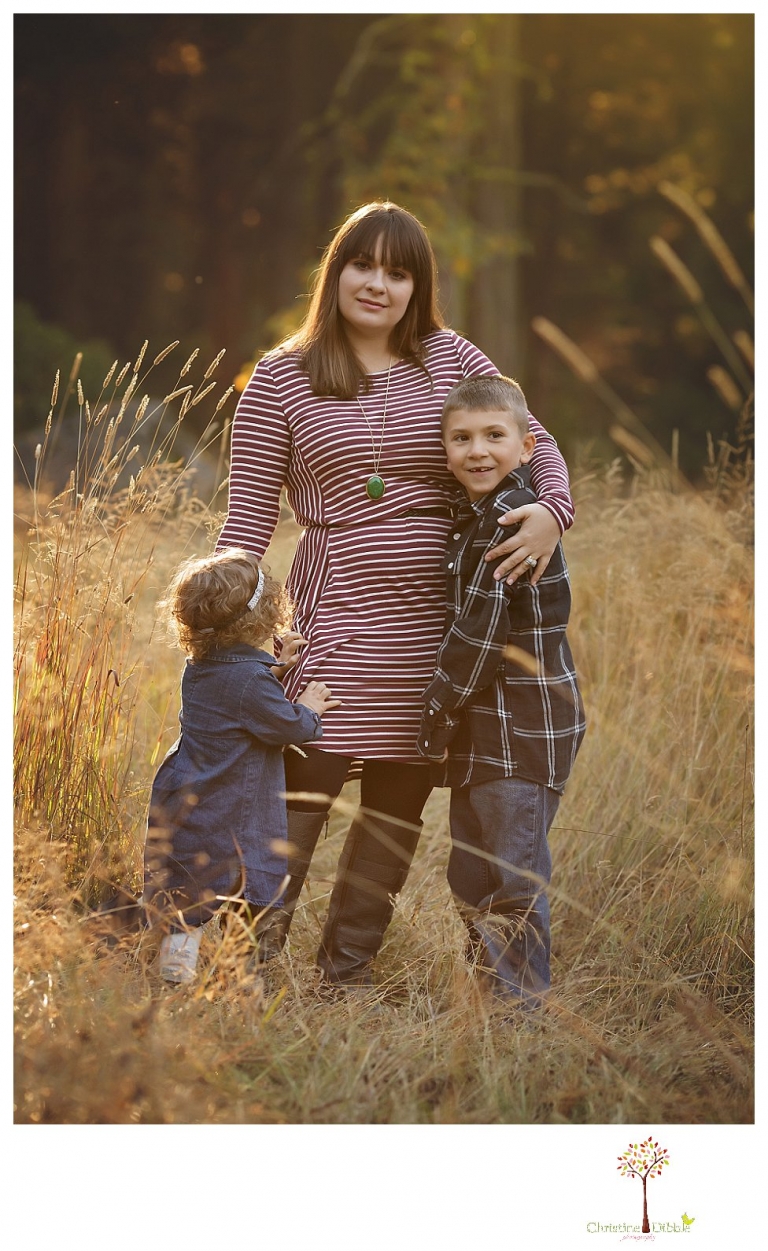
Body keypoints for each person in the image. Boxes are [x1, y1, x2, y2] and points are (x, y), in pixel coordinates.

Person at [216, 200, 576, 989]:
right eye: (363, 264)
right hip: (331, 622)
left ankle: (343, 974)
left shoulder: (449, 360)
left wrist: (552, 511)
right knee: (300, 788)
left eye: (398, 271)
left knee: (396, 803)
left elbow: (534, 439)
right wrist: (224, 620)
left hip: (439, 634)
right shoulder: (280, 375)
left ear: (419, 285)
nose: (378, 283)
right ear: (336, 271)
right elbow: (246, 517)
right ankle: (244, 970)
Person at [417, 375, 585, 1008]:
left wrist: (432, 715)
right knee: (471, 873)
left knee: (512, 876)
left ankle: (521, 1011)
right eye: (461, 438)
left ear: (525, 447)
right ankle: (489, 990)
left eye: (494, 436)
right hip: (485, 732)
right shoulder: (476, 515)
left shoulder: (512, 520)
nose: (477, 450)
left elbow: (481, 638)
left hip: (521, 726)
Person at [143, 547, 339, 984]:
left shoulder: (202, 664)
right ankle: (230, 973)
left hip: (189, 788)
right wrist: (308, 706)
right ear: (263, 616)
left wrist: (276, 667)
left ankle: (175, 975)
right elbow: (288, 727)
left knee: (188, 889)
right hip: (228, 799)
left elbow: (237, 700)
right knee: (237, 879)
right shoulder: (250, 680)